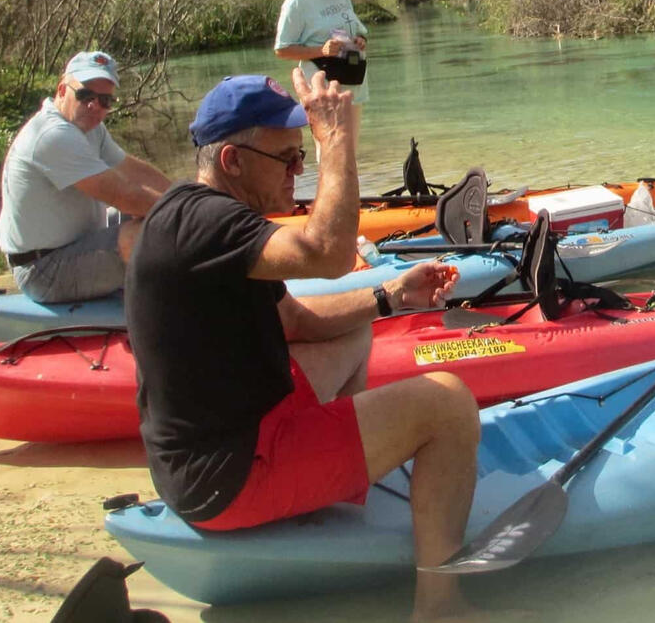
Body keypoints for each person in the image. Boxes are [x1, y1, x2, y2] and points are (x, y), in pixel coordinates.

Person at [125, 70, 479, 621]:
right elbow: (329, 253)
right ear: (232, 162)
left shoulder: (205, 217)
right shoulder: (208, 225)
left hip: (220, 445)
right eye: (288, 159)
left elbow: (295, 320)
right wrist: (337, 141)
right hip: (228, 476)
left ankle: (332, 485)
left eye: (302, 157)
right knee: (450, 403)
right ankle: (441, 607)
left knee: (352, 332)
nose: (300, 170)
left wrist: (390, 296)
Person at [0, 50, 170, 303]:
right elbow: (126, 196)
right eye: (85, 94)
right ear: (62, 90)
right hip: (42, 270)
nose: (94, 105)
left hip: (75, 241)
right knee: (148, 234)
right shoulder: (52, 135)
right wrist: (195, 217)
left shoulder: (90, 128)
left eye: (105, 100)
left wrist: (188, 195)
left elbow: (133, 171)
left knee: (162, 215)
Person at [274, 0, 370, 104]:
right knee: (334, 132)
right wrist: (321, 50)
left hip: (353, 82)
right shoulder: (297, 1)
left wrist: (360, 40)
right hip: (322, 90)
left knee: (353, 132)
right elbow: (282, 49)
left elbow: (358, 30)